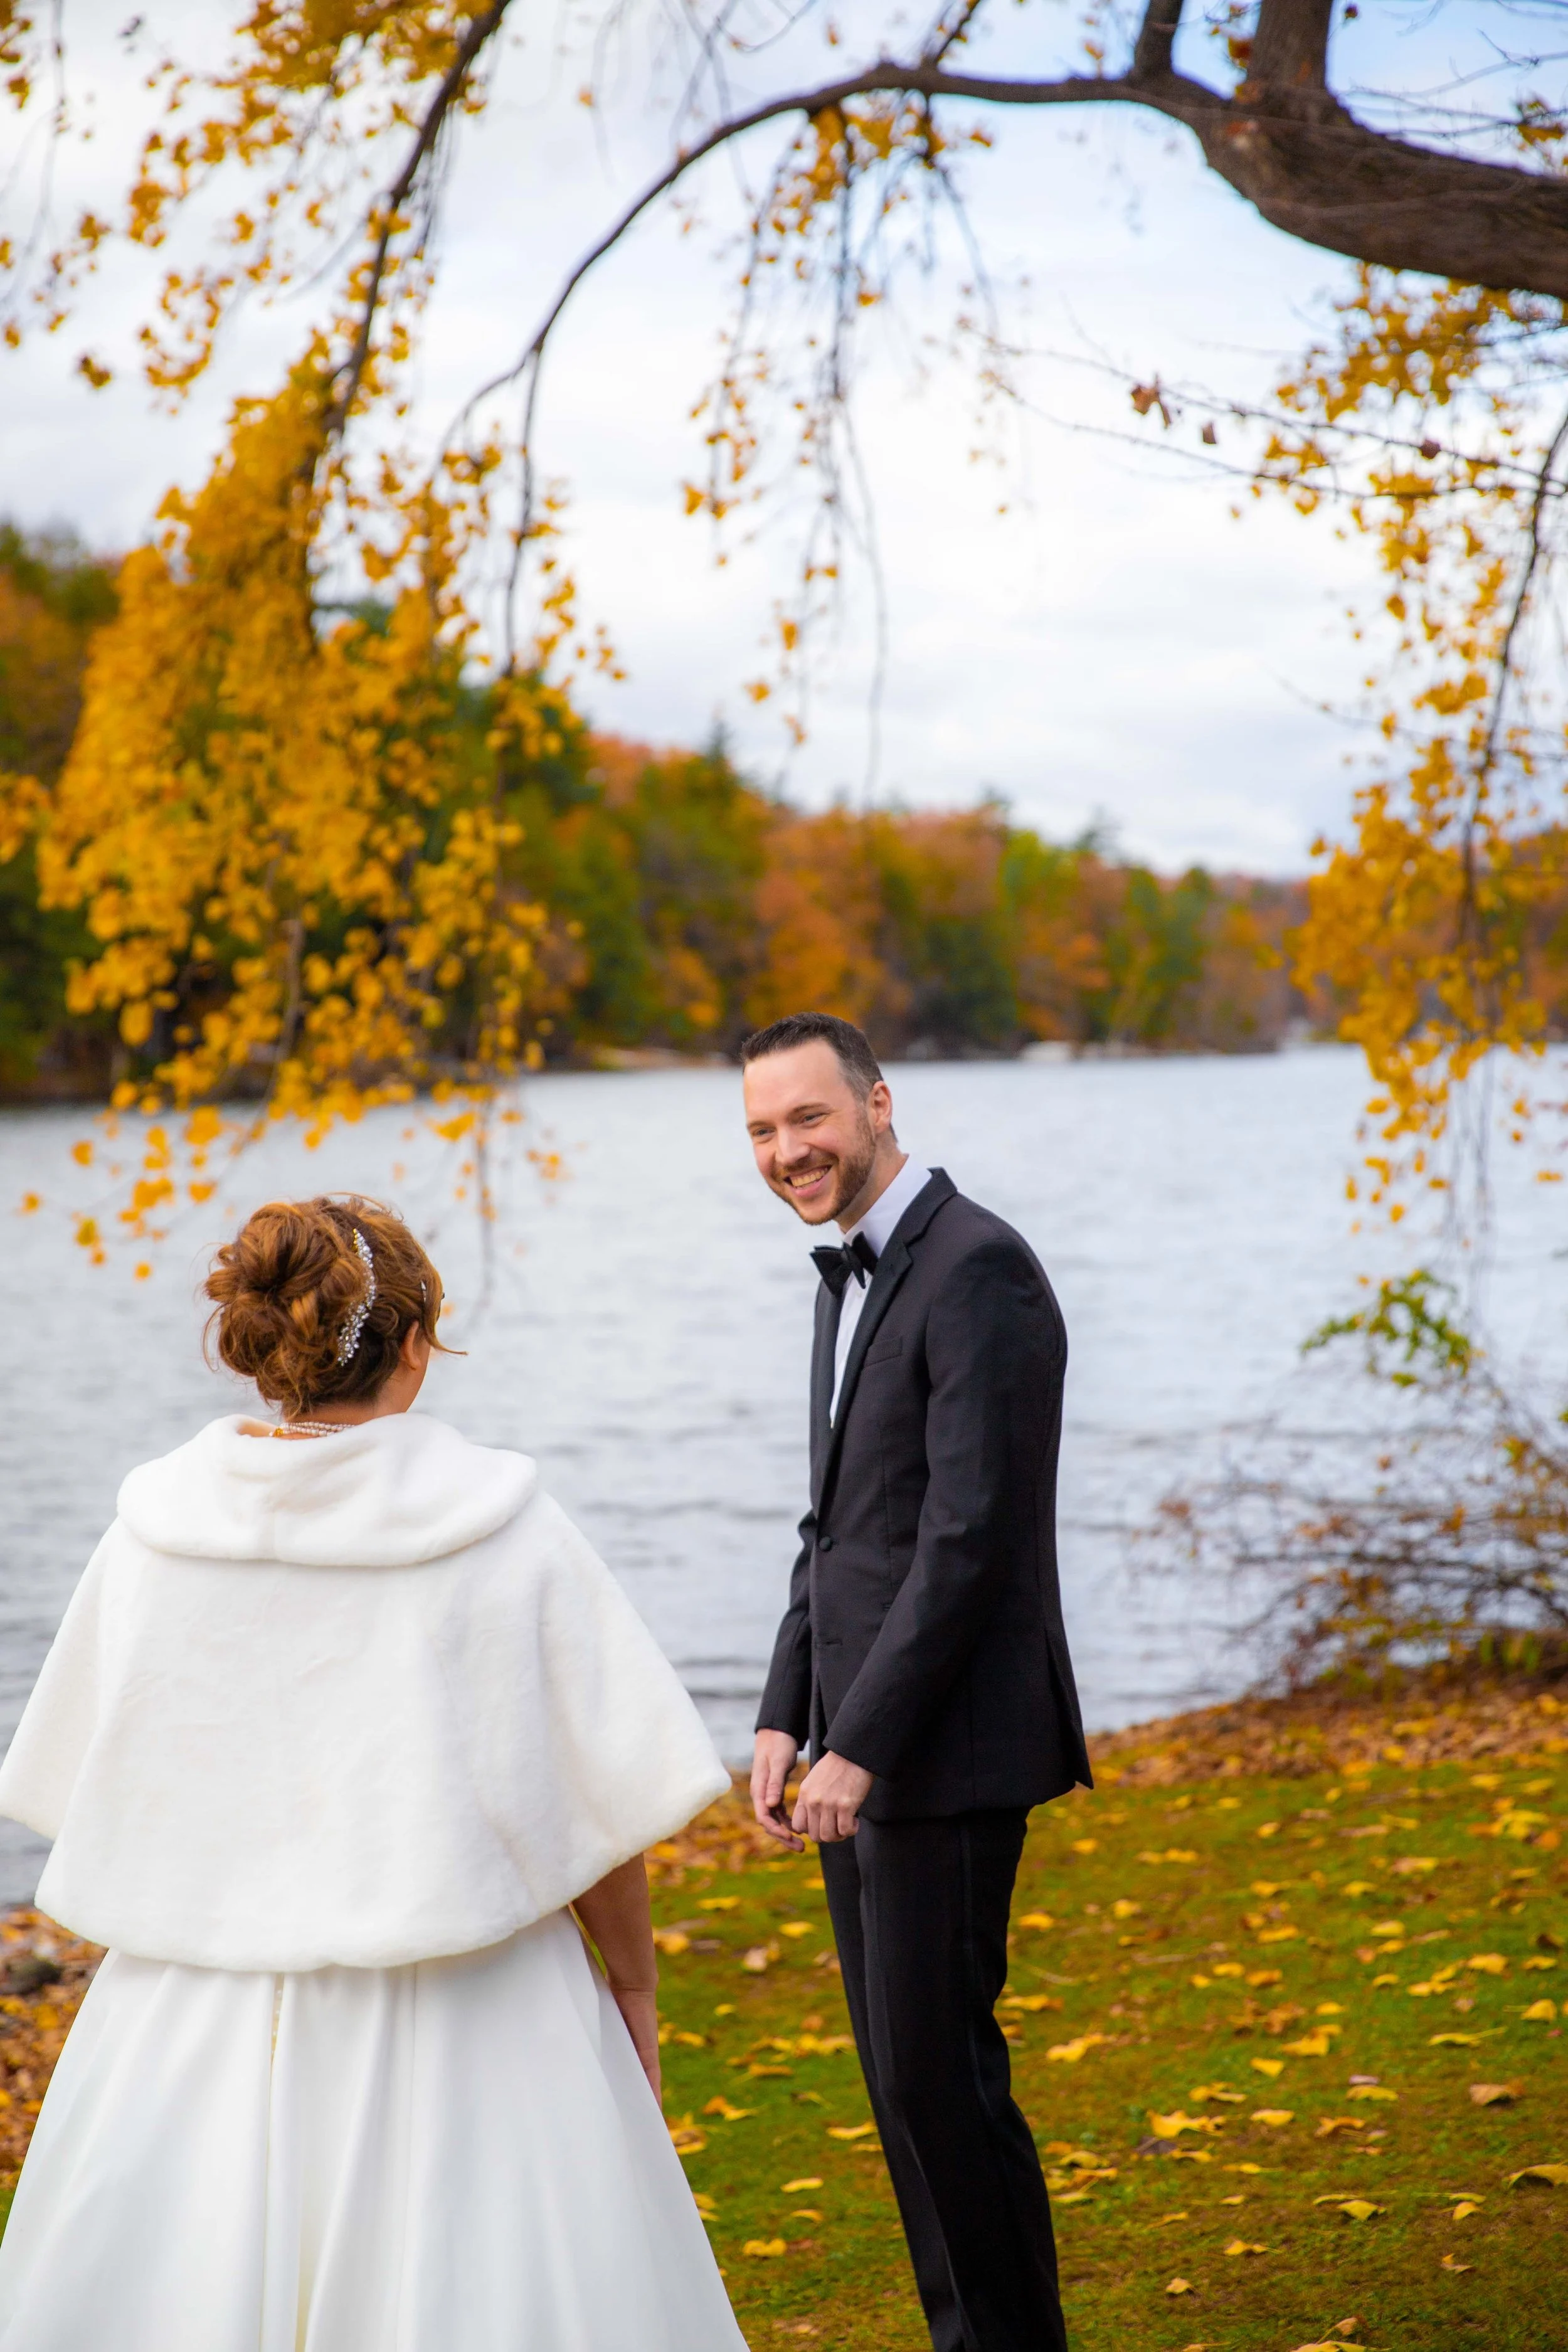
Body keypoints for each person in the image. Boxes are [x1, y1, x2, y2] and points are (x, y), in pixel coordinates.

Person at [0, 1195, 746, 2352]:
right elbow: (595, 1809)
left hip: (188, 2022)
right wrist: (636, 1987)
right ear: (412, 1342)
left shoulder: (154, 1533)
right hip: (474, 2014)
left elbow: (87, 1783)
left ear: (268, 1356)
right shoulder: (498, 1524)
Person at [742, 1012, 1091, 2352]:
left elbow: (969, 1536)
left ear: (878, 1104)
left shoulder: (977, 1267)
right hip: (859, 1743)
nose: (788, 1152)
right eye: (764, 1133)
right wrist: (786, 1708)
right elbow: (836, 1526)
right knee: (902, 2084)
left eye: (808, 1120)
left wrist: (860, 1742)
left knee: (944, 2084)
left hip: (945, 1748)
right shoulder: (851, 1278)